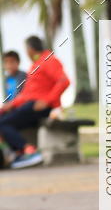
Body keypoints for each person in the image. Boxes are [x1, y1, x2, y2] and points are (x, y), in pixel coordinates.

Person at [0, 35, 70, 169]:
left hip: (40, 107)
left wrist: (47, 100)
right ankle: (12, 155)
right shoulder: (36, 65)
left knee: (3, 123)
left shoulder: (49, 60)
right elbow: (27, 94)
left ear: (30, 49)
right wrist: (10, 105)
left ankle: (29, 152)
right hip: (29, 105)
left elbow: (64, 81)